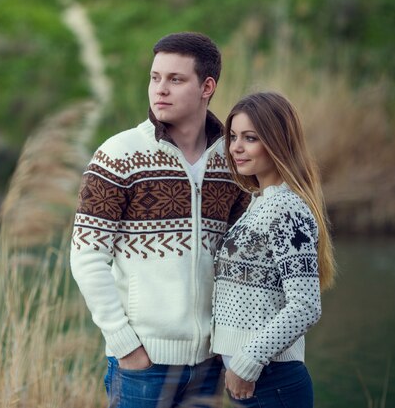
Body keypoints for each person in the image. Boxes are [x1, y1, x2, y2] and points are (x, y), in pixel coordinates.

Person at [70, 31, 249, 407]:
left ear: (207, 86)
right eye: (155, 78)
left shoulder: (232, 162)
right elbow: (86, 256)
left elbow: (240, 261)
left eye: (175, 79)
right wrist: (125, 345)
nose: (160, 89)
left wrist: (232, 346)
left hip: (209, 363)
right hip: (143, 366)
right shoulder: (119, 155)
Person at [210, 91, 337, 408]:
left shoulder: (287, 210)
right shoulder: (259, 203)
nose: (236, 147)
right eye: (233, 137)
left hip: (272, 382)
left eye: (250, 138)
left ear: (278, 142)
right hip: (256, 381)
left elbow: (306, 306)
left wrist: (248, 361)